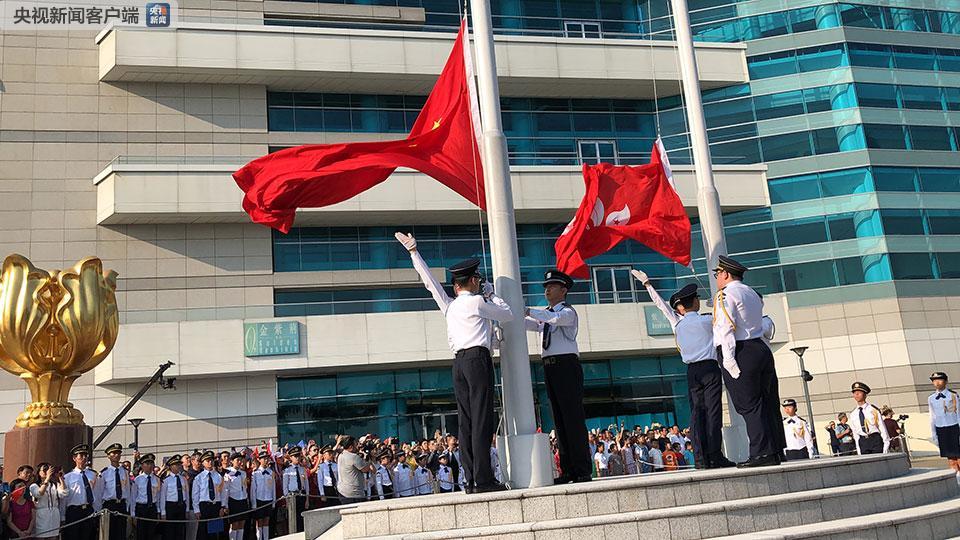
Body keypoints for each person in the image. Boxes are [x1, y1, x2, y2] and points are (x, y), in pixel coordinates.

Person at [397, 232, 513, 493]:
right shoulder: (477, 302)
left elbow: (429, 283)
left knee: (466, 422)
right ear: (473, 281)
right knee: (482, 421)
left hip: (458, 363)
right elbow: (508, 314)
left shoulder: (449, 306)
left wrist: (415, 253)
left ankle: (470, 480)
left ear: (455, 285)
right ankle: (484, 480)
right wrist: (491, 294)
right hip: (477, 360)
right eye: (478, 280)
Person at [634, 271, 734, 469]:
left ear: (680, 308)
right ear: (695, 302)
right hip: (710, 368)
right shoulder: (707, 320)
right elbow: (724, 317)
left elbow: (661, 305)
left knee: (697, 414)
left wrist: (647, 284)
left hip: (692, 372)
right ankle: (715, 455)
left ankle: (700, 458)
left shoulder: (677, 322)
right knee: (713, 413)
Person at [712, 255, 784, 468]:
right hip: (759, 347)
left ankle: (761, 453)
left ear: (725, 274)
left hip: (742, 350)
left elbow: (725, 329)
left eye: (717, 274)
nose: (716, 278)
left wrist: (729, 360)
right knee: (769, 402)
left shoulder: (724, 295)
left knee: (749, 405)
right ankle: (775, 450)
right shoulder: (751, 292)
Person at [524, 269, 592, 484]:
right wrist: (515, 315)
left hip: (566, 366)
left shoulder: (567, 312)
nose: (547, 290)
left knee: (573, 419)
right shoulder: (547, 315)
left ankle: (582, 469)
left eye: (551, 286)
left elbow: (553, 319)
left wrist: (526, 309)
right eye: (545, 287)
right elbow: (534, 324)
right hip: (551, 367)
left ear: (563, 290)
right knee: (560, 421)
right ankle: (568, 470)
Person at [928, 372, 960, 484]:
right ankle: (956, 480)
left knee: (959, 456)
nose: (936, 382)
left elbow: (959, 413)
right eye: (934, 380)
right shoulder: (931, 398)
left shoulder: (953, 395)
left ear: (945, 381)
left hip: (954, 427)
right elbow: (932, 416)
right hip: (941, 429)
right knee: (950, 458)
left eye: (939, 379)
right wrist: (934, 433)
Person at [63, 443, 100, 540]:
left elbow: (96, 493)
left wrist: (97, 510)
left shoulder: (92, 474)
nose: (84, 458)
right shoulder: (68, 477)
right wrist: (63, 516)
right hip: (74, 511)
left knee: (88, 535)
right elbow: (64, 498)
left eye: (85, 455)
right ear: (74, 458)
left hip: (88, 509)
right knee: (73, 536)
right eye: (81, 455)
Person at [98, 443, 131, 540]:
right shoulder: (104, 473)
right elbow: (100, 492)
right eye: (114, 453)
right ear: (108, 456)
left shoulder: (124, 471)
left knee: (121, 532)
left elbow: (127, 490)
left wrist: (128, 507)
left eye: (118, 453)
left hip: (121, 504)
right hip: (110, 505)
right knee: (110, 533)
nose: (116, 455)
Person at [192, 450, 228, 540]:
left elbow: (223, 492)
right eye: (207, 460)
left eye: (211, 460)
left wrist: (223, 506)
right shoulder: (199, 478)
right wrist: (196, 510)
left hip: (216, 506)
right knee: (203, 533)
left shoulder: (218, 476)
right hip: (204, 506)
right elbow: (195, 495)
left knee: (214, 533)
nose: (210, 462)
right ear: (203, 463)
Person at [849, 382, 890, 454]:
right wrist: (858, 449)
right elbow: (855, 433)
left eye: (859, 392)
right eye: (855, 393)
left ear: (865, 394)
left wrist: (886, 444)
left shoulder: (873, 410)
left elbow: (882, 428)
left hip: (875, 439)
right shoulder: (853, 414)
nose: (856, 395)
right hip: (863, 441)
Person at [336, 436, 375, 505]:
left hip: (343, 492)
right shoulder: (353, 457)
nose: (358, 446)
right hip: (354, 494)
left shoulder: (341, 455)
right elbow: (365, 469)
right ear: (351, 447)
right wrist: (368, 460)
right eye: (356, 444)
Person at [30, 462, 64, 539]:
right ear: (38, 472)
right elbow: (39, 493)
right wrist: (47, 479)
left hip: (54, 515)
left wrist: (61, 478)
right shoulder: (34, 485)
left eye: (48, 469)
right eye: (44, 470)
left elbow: (63, 494)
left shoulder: (54, 484)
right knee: (41, 536)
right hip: (41, 515)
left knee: (53, 537)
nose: (47, 472)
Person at [159, 455, 189, 540]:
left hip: (181, 506)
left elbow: (186, 495)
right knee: (169, 531)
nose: (178, 466)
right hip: (170, 506)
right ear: (170, 467)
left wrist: (186, 509)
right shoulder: (166, 480)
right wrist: (163, 512)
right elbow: (163, 497)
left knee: (181, 531)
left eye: (179, 464)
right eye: (176, 465)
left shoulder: (183, 479)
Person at [132, 454, 161, 540]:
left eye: (151, 464)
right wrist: (133, 513)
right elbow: (133, 497)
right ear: (142, 465)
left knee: (151, 533)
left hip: (152, 508)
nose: (150, 466)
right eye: (147, 464)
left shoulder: (157, 479)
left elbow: (158, 496)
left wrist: (159, 511)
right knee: (141, 533)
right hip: (141, 508)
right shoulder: (137, 479)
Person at [248, 450, 276, 540]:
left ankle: (266, 538)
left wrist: (274, 501)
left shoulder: (271, 472)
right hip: (259, 499)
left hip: (268, 499)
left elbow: (273, 488)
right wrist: (254, 504)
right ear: (259, 460)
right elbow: (253, 489)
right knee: (259, 521)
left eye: (267, 458)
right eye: (264, 458)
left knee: (266, 521)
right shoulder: (255, 473)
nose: (266, 460)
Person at [282, 446, 309, 532]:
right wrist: (287, 500)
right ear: (291, 458)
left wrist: (307, 499)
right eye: (295, 456)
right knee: (293, 518)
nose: (297, 458)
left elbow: (306, 484)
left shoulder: (302, 469)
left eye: (298, 456)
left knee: (302, 518)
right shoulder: (287, 471)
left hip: (302, 494)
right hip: (292, 496)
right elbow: (285, 487)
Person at [223, 452, 250, 540]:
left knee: (242, 523)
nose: (240, 462)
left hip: (243, 499)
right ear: (232, 461)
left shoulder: (243, 473)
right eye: (237, 460)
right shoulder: (227, 473)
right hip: (233, 500)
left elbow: (245, 487)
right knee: (234, 524)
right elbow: (226, 490)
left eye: (241, 460)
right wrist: (225, 505)